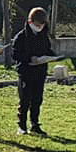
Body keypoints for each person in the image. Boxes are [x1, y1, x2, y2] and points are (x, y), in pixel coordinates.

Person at [12, 7, 57, 136]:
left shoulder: (43, 35)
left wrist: (52, 56)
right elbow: (15, 54)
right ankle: (22, 125)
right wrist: (29, 58)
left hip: (40, 71)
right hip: (26, 71)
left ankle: (35, 124)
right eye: (37, 25)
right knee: (25, 99)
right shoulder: (21, 36)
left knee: (37, 99)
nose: (40, 27)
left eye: (42, 25)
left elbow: (47, 49)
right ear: (30, 21)